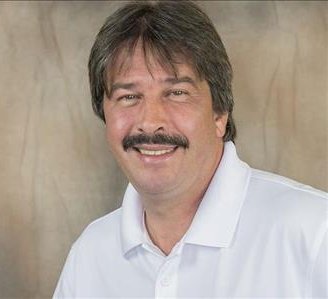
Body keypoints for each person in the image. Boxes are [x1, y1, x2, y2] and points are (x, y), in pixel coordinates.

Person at [53, 1, 327, 297]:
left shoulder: (314, 232)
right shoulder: (90, 256)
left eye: (177, 93)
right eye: (129, 96)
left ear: (220, 113)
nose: (149, 122)